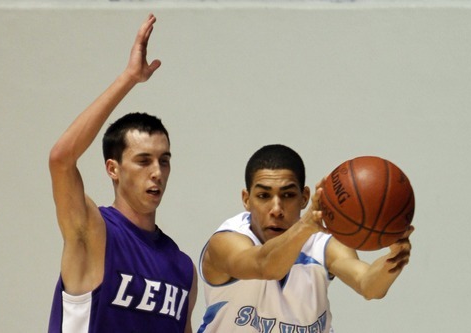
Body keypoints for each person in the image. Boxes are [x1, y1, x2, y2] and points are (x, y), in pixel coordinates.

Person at [48, 14, 197, 333]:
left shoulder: (183, 268)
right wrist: (129, 78)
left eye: (164, 160)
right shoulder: (92, 231)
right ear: (112, 169)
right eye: (143, 161)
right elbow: (61, 159)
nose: (157, 172)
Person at [197, 144, 413, 333]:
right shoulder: (226, 242)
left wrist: (393, 258)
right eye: (264, 196)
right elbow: (266, 266)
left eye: (288, 195)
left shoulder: (322, 243)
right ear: (246, 199)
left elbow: (368, 285)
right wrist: (305, 226)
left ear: (305, 198)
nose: (276, 209)